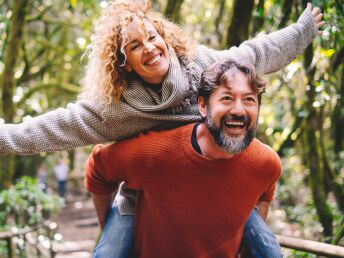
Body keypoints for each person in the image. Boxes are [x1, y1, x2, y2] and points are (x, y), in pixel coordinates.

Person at [0, 0, 324, 257]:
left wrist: (303, 30)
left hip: (215, 184)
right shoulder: (116, 109)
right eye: (136, 46)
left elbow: (255, 53)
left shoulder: (202, 67)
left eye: (153, 37)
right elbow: (58, 126)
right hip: (144, 193)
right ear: (124, 63)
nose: (150, 48)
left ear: (166, 39)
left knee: (268, 249)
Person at [85, 59, 282, 258]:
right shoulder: (156, 154)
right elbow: (98, 168)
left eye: (249, 99)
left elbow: (264, 196)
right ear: (203, 106)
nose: (239, 110)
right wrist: (109, 229)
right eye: (227, 99)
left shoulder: (266, 163)